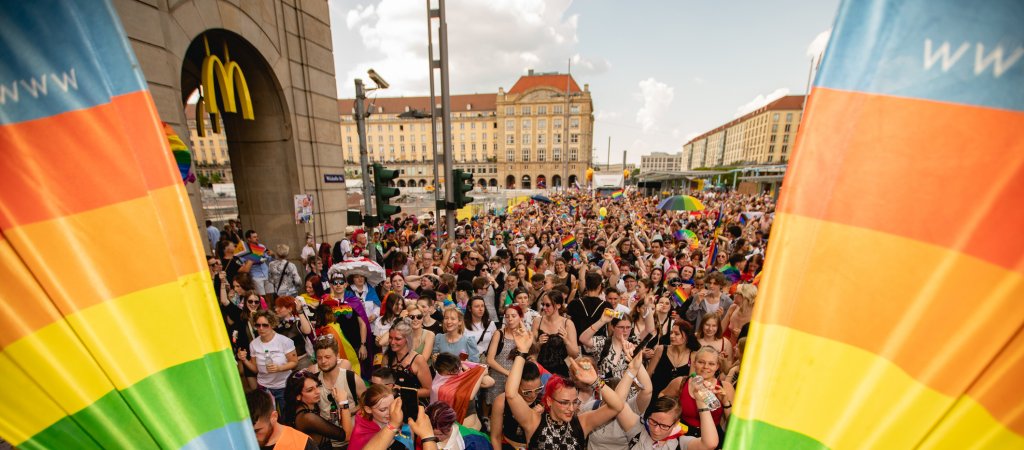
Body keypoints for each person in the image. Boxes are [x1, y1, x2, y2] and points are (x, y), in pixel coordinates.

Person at [504, 329, 625, 449]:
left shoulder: (582, 423)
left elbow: (617, 406)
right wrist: (522, 352)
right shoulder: (534, 422)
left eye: (574, 402)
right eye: (564, 402)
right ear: (549, 401)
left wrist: (596, 381)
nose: (571, 408)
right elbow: (511, 394)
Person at [660, 347, 735, 440]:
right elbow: (661, 397)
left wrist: (725, 402)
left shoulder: (725, 387)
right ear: (694, 363)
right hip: (682, 435)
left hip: (712, 437)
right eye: (701, 362)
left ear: (717, 366)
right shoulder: (680, 382)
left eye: (711, 364)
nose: (706, 367)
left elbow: (734, 424)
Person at [238, 310, 298, 410]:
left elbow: (294, 362)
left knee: (286, 415)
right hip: (264, 387)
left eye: (265, 325)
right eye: (258, 325)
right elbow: (255, 369)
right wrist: (244, 360)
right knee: (268, 416)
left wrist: (280, 368)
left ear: (272, 324)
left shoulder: (284, 341)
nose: (261, 328)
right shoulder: (253, 344)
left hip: (283, 386)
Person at [283, 370, 351, 449]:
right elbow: (347, 436)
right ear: (297, 396)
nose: (317, 391)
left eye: (317, 386)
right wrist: (344, 403)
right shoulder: (308, 418)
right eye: (310, 390)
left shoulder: (299, 407)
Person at [490, 360, 543, 450]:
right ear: (516, 385)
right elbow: (495, 437)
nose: (533, 395)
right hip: (508, 446)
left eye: (538, 389)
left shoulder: (544, 401)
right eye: (527, 392)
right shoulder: (502, 401)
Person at [246, 389, 319, 450]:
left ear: (274, 417)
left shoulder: (302, 445)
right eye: (247, 431)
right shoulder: (241, 442)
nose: (251, 437)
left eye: (256, 431)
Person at [646, 321, 699, 404]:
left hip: (675, 400)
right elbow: (648, 373)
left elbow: (690, 382)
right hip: (654, 395)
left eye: (677, 334)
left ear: (686, 337)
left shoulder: (693, 355)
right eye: (671, 333)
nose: (672, 336)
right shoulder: (661, 349)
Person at [485, 305, 526, 410]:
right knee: (495, 406)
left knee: (512, 406)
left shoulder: (524, 335)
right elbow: (490, 360)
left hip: (515, 378)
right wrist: (508, 373)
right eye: (507, 316)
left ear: (521, 317)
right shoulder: (499, 334)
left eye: (513, 316)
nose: (510, 319)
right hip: (497, 376)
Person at [379, 320, 433, 399]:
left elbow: (428, 391)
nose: (392, 342)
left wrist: (402, 391)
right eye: (390, 338)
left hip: (412, 405)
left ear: (408, 339)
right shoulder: (387, 357)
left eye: (397, 339)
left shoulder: (418, 360)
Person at [579, 310, 636, 381]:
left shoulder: (632, 346)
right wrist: (601, 321)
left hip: (626, 390)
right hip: (604, 389)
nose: (625, 330)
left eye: (628, 327)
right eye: (621, 327)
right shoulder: (603, 342)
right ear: (613, 327)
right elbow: (583, 339)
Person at [424, 401, 491, 450]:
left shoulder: (475, 442)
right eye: (433, 434)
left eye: (441, 434)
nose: (438, 438)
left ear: (451, 425)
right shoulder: (424, 434)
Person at [274, 296, 315, 371]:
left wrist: (300, 311)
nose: (276, 309)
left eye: (280, 307)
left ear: (289, 309)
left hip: (302, 362)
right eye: (276, 307)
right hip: (285, 365)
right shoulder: (278, 325)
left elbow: (307, 331)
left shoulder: (297, 322)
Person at [245, 230, 273, 296]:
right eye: (254, 237)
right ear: (248, 239)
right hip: (256, 276)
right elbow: (243, 262)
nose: (257, 238)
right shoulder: (245, 249)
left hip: (266, 273)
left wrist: (270, 255)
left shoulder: (262, 246)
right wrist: (253, 260)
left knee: (270, 294)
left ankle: (269, 306)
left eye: (257, 236)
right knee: (261, 296)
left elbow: (268, 258)